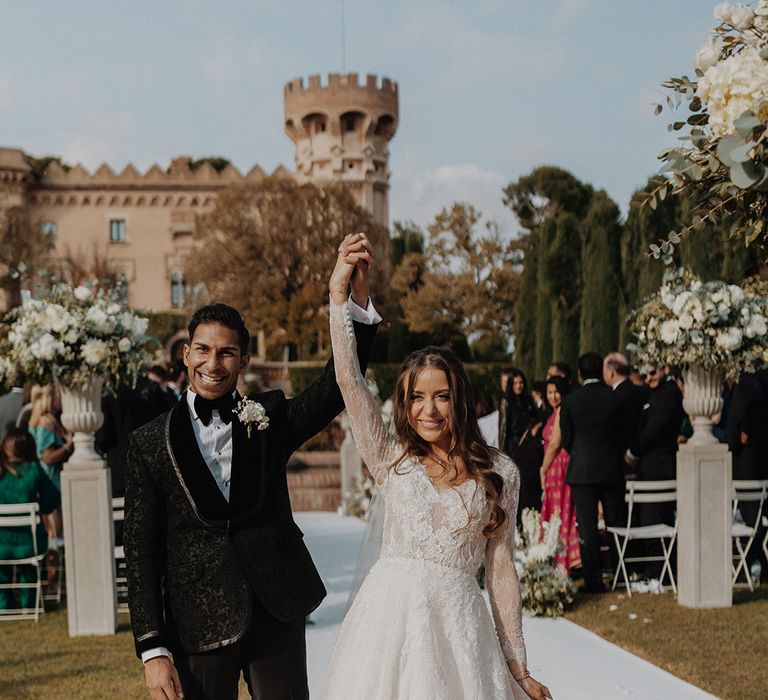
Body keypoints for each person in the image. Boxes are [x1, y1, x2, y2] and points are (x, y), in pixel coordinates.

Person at [124, 232, 379, 700]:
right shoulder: (147, 444)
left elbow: (337, 385)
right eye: (202, 350)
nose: (213, 363)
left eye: (225, 353)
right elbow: (140, 554)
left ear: (243, 359)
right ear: (186, 355)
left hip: (276, 607)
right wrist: (152, 648)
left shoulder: (271, 417)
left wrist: (351, 303)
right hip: (195, 619)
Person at [321, 240, 551, 700]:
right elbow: (349, 380)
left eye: (441, 396)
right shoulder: (390, 458)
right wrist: (339, 301)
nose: (428, 410)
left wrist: (518, 667)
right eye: (417, 397)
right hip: (388, 632)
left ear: (459, 398)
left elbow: (501, 568)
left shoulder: (500, 471)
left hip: (460, 635)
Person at [559, 352, 627, 593]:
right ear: (601, 372)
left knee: (586, 527)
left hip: (583, 471)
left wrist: (581, 453)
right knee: (615, 524)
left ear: (579, 374)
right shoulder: (615, 398)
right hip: (612, 470)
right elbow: (624, 434)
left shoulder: (571, 400)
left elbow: (566, 440)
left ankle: (594, 581)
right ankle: (620, 575)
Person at [625, 365, 684, 579]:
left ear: (665, 368)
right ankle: (660, 569)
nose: (648, 378)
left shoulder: (668, 395)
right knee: (654, 518)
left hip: (659, 466)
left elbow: (653, 431)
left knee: (655, 520)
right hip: (653, 464)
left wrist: (633, 451)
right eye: (645, 375)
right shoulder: (659, 393)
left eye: (653, 372)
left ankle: (659, 571)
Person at [0, 427, 60, 609]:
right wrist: (37, 507)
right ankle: (29, 604)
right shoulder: (34, 470)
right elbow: (52, 501)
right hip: (30, 543)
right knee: (29, 569)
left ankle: (3, 604)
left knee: (2, 570)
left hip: (0, 543)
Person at [539, 377, 581, 573]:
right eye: (549, 393)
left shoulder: (563, 410)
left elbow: (555, 443)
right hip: (554, 465)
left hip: (558, 464)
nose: (553, 396)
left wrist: (543, 469)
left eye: (556, 392)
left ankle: (565, 558)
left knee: (562, 510)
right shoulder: (554, 412)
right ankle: (555, 557)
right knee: (555, 511)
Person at [499, 369, 543, 518]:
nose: (519, 385)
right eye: (516, 383)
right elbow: (503, 431)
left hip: (530, 452)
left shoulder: (528, 401)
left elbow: (538, 420)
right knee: (518, 492)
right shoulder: (506, 402)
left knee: (531, 491)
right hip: (515, 451)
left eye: (521, 382)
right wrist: (503, 458)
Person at [603, 352, 649, 451]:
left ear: (611, 373)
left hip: (620, 453)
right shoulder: (643, 391)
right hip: (642, 452)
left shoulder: (612, 397)